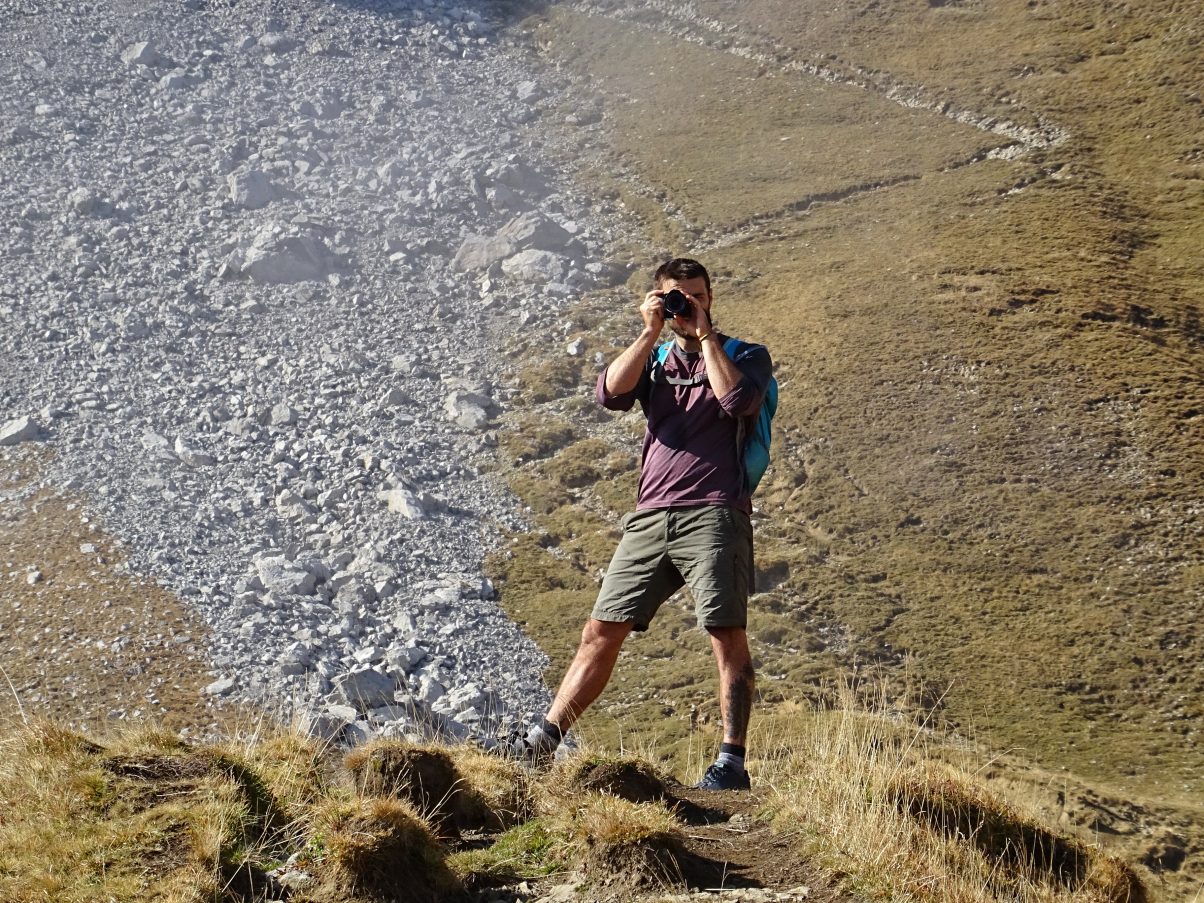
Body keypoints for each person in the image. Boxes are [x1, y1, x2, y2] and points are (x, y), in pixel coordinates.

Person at [500, 257, 773, 790]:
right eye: (675, 296)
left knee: (725, 633)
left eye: (695, 295)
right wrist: (650, 332)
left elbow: (738, 400)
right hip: (650, 515)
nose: (686, 305)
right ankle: (544, 740)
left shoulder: (746, 355)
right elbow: (610, 394)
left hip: (716, 512)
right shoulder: (655, 358)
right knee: (601, 629)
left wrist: (705, 336)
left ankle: (731, 763)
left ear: (710, 297)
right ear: (658, 298)